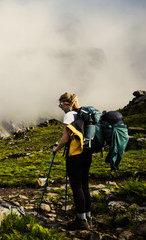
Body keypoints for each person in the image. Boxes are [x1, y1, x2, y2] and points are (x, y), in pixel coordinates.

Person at [52, 92, 92, 230]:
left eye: (61, 104)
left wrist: (56, 149)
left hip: (75, 154)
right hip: (87, 152)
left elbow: (65, 139)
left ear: (67, 104)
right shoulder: (82, 113)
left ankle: (81, 221)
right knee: (85, 184)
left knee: (77, 186)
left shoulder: (69, 115)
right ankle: (88, 217)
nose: (60, 107)